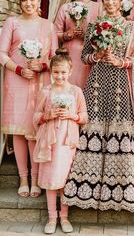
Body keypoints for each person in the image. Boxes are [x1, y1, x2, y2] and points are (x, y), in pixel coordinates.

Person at [63, 0, 134, 222]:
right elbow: (84, 56)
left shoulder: (131, 27)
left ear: (121, 1)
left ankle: (121, 191)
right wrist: (96, 56)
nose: (109, 2)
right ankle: (90, 189)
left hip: (120, 86)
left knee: (121, 132)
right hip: (97, 84)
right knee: (93, 130)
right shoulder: (95, 26)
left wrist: (122, 62)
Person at [0, 0, 57, 198]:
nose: (29, 3)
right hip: (16, 80)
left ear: (40, 2)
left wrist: (41, 66)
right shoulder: (12, 23)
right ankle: (23, 178)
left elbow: (54, 56)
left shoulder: (47, 26)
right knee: (18, 131)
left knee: (34, 131)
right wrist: (19, 69)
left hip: (40, 81)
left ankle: (36, 178)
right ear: (20, 2)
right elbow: (2, 53)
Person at [33, 48, 88, 234]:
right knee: (51, 179)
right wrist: (48, 115)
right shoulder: (46, 91)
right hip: (50, 142)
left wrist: (72, 115)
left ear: (70, 72)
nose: (59, 76)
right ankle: (51, 217)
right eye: (56, 72)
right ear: (51, 72)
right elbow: (36, 116)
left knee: (64, 179)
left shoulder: (75, 91)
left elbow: (84, 117)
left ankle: (64, 216)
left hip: (67, 142)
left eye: (63, 72)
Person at [54, 0, 101, 88]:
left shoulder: (98, 7)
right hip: (69, 55)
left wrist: (86, 35)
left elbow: (103, 34)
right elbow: (55, 34)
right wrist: (67, 34)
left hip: (90, 56)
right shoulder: (65, 8)